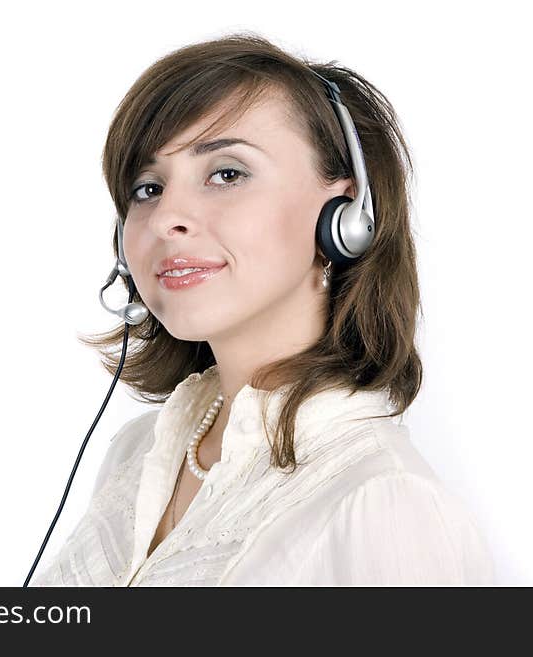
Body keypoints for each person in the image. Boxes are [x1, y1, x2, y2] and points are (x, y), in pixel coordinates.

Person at [30, 32, 496, 586]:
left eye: (227, 173)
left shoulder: (385, 504)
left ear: (345, 218)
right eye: (147, 187)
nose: (165, 219)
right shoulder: (136, 454)